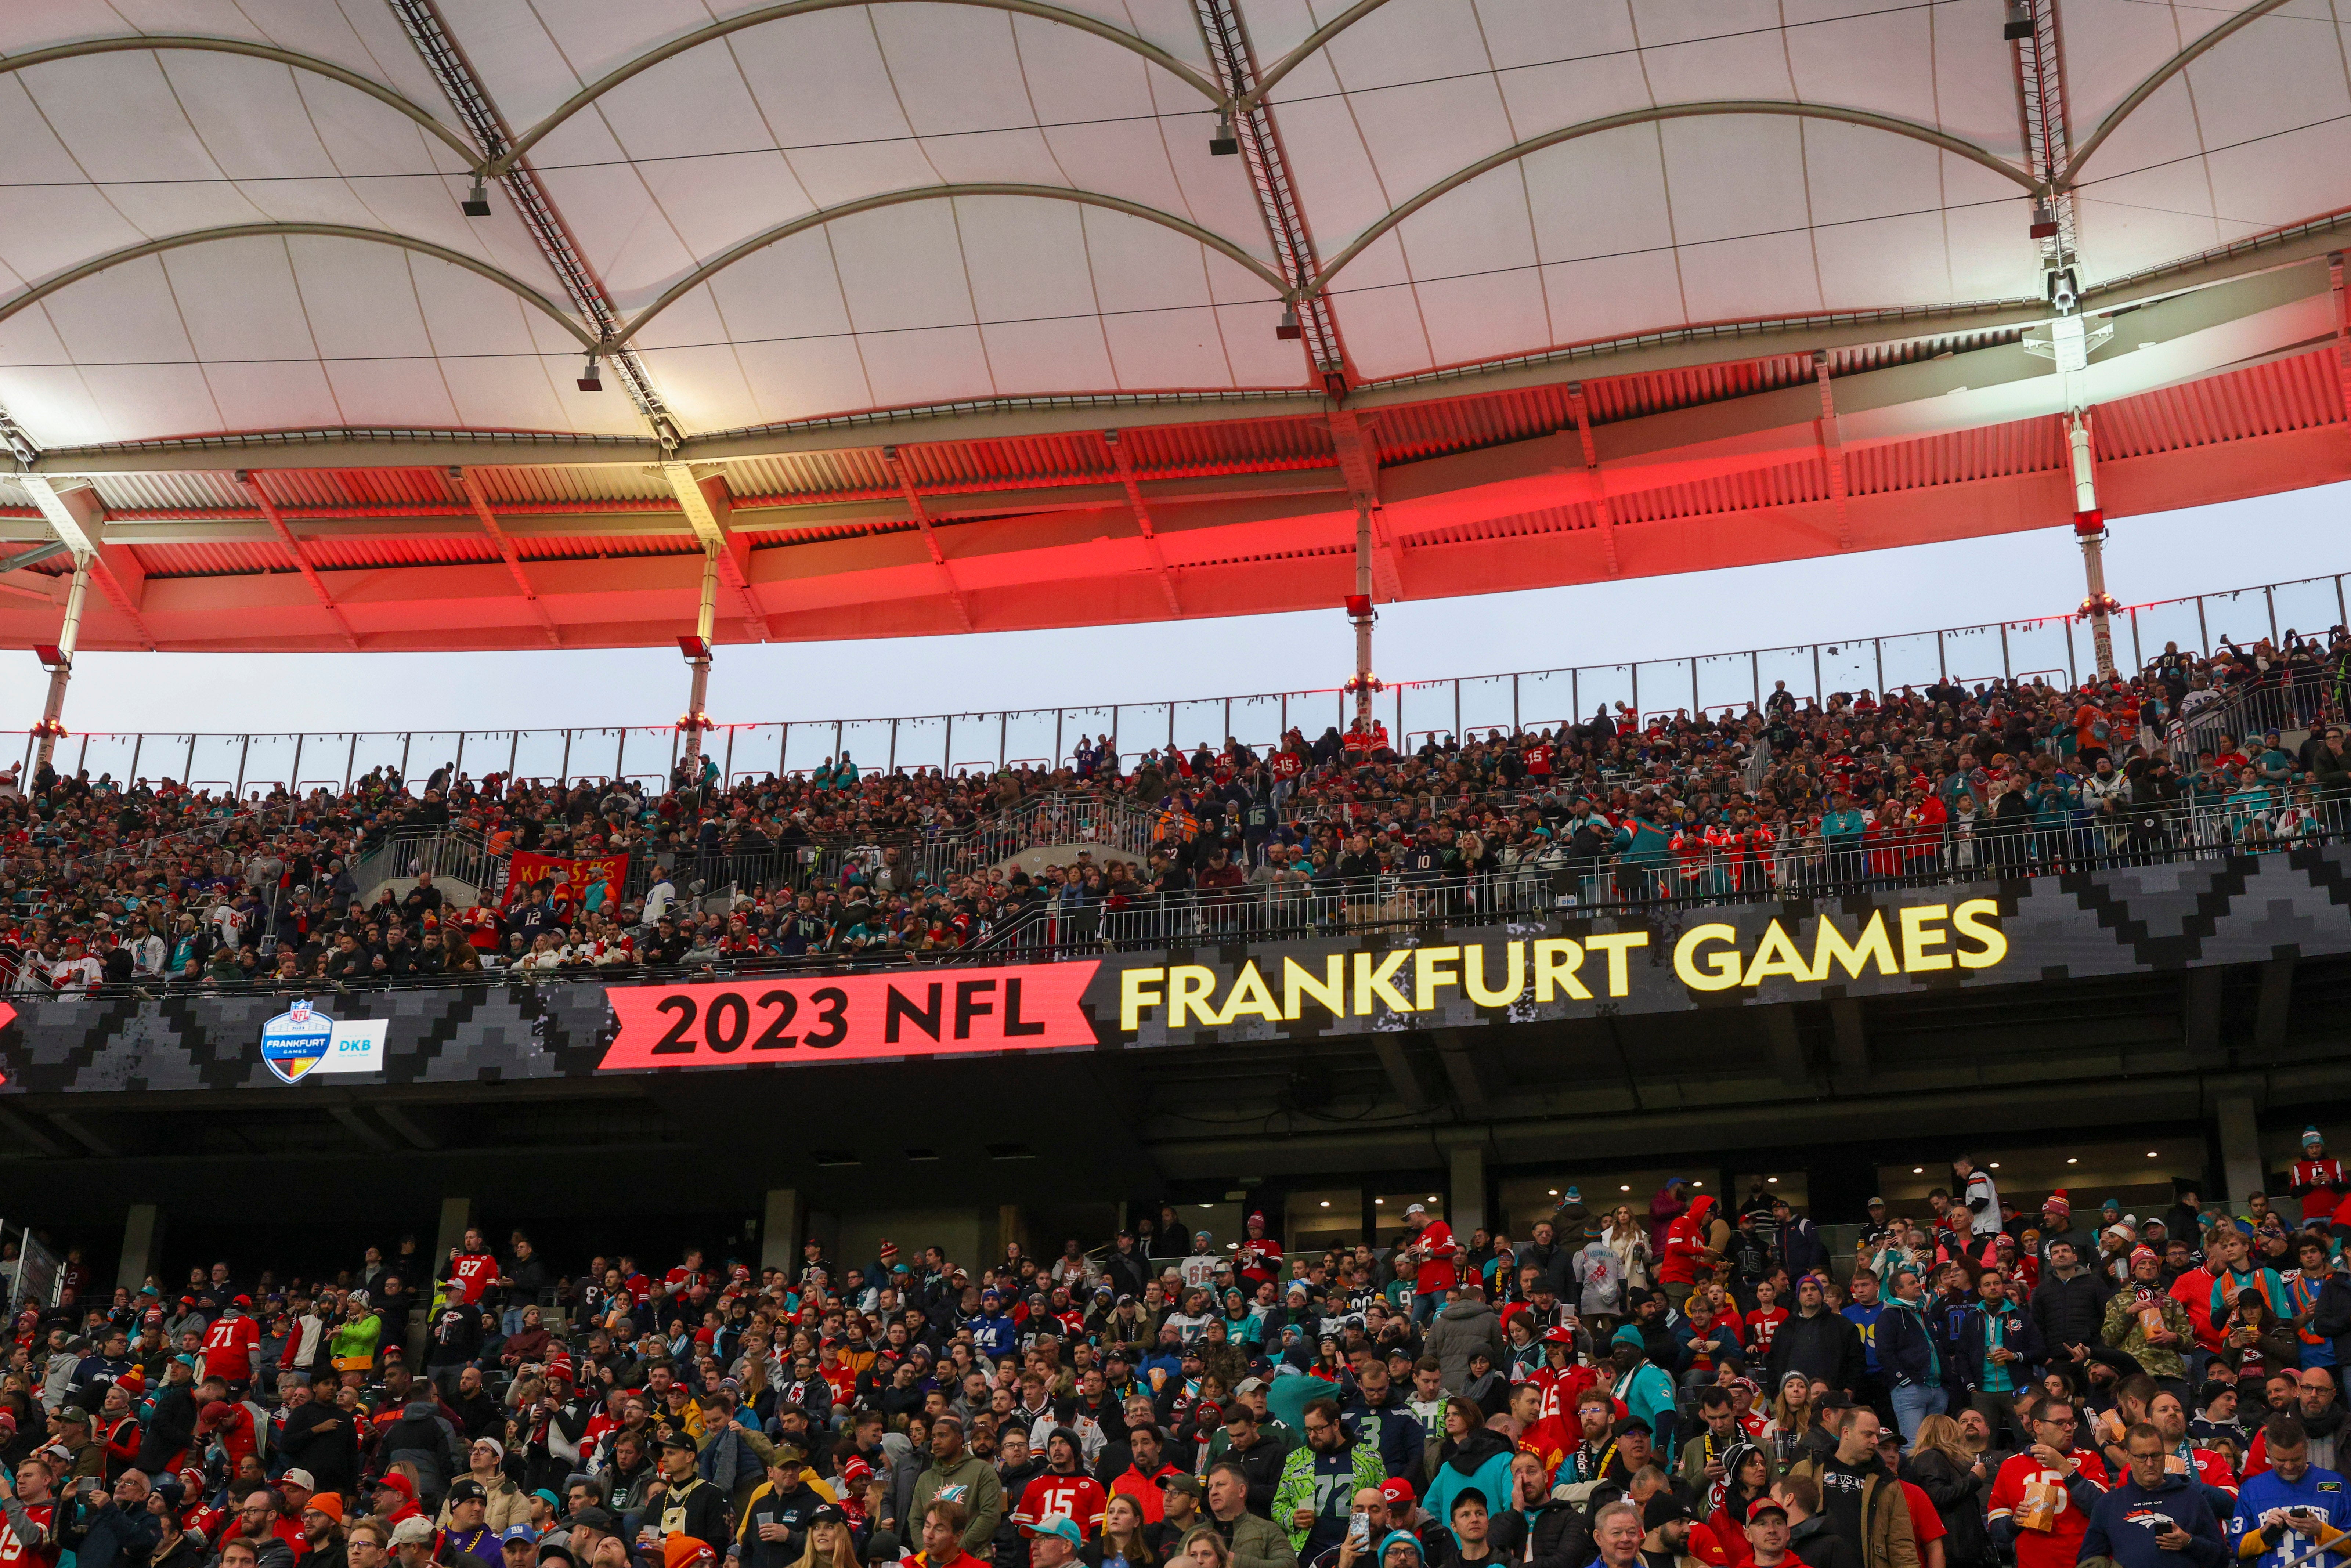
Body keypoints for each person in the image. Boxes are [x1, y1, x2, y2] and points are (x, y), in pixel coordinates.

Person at [1782, 1406, 1918, 1568]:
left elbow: (1901, 1544)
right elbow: (1784, 1523)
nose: (1875, 1442)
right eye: (1868, 1434)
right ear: (1846, 1433)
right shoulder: (1808, 1469)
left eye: (1877, 1436)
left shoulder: (1886, 1482)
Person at [2079, 1421, 2226, 1568]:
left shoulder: (2192, 1498)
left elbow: (2222, 1558)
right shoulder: (2109, 1505)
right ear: (2128, 1456)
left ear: (2165, 1454)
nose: (2150, 1463)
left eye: (2156, 1455)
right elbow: (2089, 1559)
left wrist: (2189, 1542)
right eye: (2142, 1457)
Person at [1202, 1462, 1297, 1568]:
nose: (1213, 1492)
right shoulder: (1197, 1531)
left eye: (1221, 1485)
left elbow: (1289, 1565)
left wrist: (1238, 1562)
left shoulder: (1268, 1530)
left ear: (1241, 1490)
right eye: (1210, 1488)